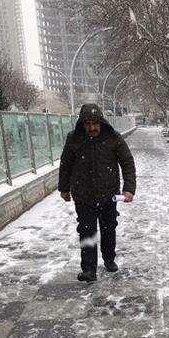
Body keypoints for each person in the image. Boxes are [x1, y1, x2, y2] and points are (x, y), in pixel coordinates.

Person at [59, 104, 136, 282]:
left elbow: (127, 162)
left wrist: (129, 189)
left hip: (109, 194)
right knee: (87, 232)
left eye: (95, 124)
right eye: (88, 124)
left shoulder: (113, 138)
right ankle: (88, 269)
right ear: (82, 124)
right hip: (83, 195)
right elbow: (66, 164)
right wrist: (64, 188)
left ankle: (109, 259)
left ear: (101, 122)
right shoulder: (74, 139)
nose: (92, 128)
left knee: (108, 230)